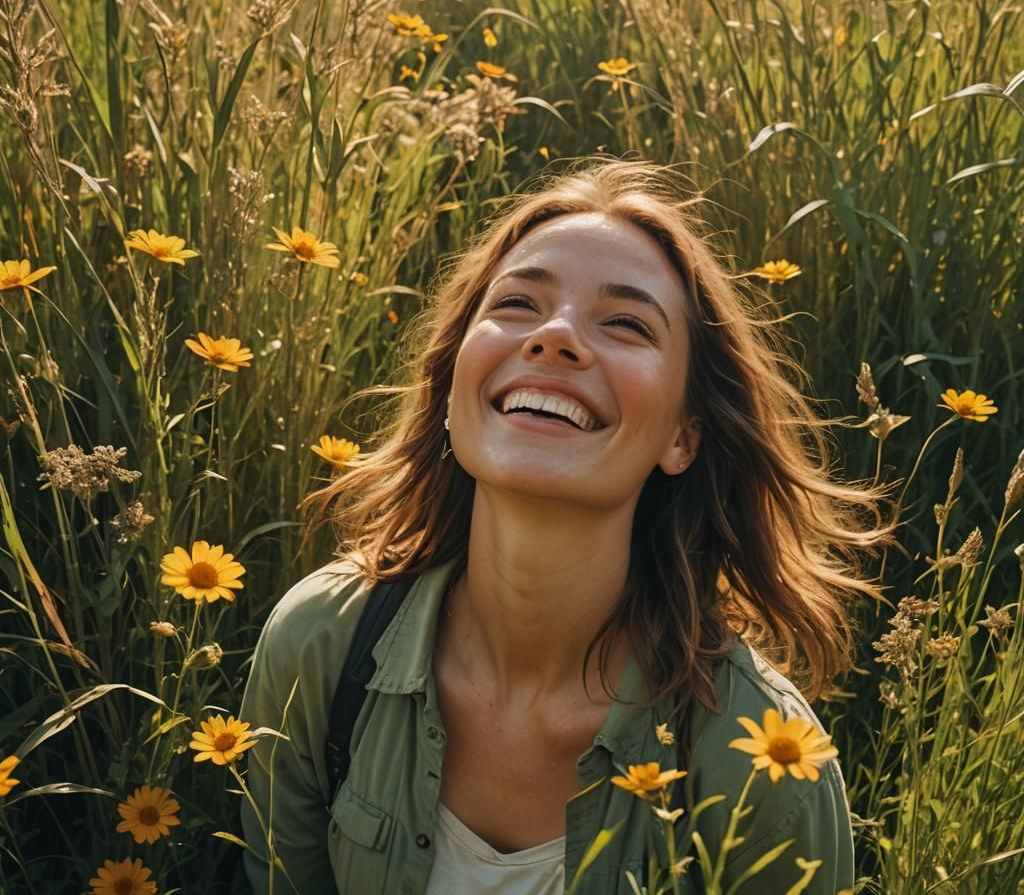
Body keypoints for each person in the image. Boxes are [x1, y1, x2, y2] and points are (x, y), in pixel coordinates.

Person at [238, 159, 901, 894]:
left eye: (625, 323)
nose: (555, 336)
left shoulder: (767, 769)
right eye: (518, 303)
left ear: (684, 436)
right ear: (454, 387)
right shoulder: (319, 649)